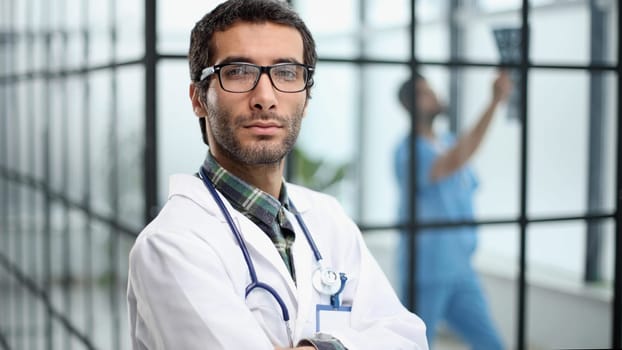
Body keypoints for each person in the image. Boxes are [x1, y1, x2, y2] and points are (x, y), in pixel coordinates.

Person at [126, 0, 428, 349]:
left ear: (306, 96)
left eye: (286, 72)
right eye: (238, 71)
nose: (265, 98)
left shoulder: (327, 216)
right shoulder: (170, 245)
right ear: (198, 98)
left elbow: (407, 337)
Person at [393, 72, 512, 349]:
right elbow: (458, 158)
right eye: (425, 93)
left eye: (432, 90)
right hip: (427, 270)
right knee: (416, 344)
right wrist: (493, 102)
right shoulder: (408, 151)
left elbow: (462, 159)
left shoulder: (447, 140)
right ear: (408, 105)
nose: (434, 96)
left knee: (491, 343)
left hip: (461, 269)